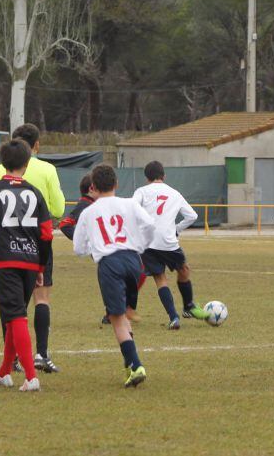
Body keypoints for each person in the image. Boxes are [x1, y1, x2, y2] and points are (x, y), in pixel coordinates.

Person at [0, 139, 53, 392]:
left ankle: (30, 376)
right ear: (27, 164)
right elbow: (47, 234)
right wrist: (40, 267)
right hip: (30, 260)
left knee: (16, 316)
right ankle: (4, 371)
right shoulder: (35, 193)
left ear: (2, 162)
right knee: (13, 317)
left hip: (6, 260)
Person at [0, 123, 65, 373]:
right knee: (41, 298)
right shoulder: (47, 169)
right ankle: (41, 353)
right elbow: (58, 209)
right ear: (37, 145)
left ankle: (12, 360)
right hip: (37, 243)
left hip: (4, 243)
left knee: (11, 303)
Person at [73, 165, 155, 387]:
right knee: (124, 315)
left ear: (92, 187)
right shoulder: (129, 203)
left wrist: (94, 246)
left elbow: (78, 248)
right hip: (134, 262)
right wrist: (140, 245)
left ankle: (136, 365)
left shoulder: (88, 212)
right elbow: (149, 224)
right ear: (116, 184)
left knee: (116, 317)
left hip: (110, 264)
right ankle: (130, 363)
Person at [132, 161, 207, 329]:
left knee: (160, 278)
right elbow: (192, 216)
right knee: (184, 270)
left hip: (148, 242)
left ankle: (174, 317)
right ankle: (188, 306)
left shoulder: (142, 191)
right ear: (164, 176)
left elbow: (132, 207)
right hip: (168, 242)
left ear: (147, 178)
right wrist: (176, 229)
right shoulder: (174, 193)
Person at [60, 173, 144, 323]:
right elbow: (65, 223)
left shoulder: (98, 205)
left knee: (117, 277)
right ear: (91, 189)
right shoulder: (85, 205)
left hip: (109, 248)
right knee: (117, 276)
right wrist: (89, 241)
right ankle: (113, 313)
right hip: (104, 249)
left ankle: (118, 311)